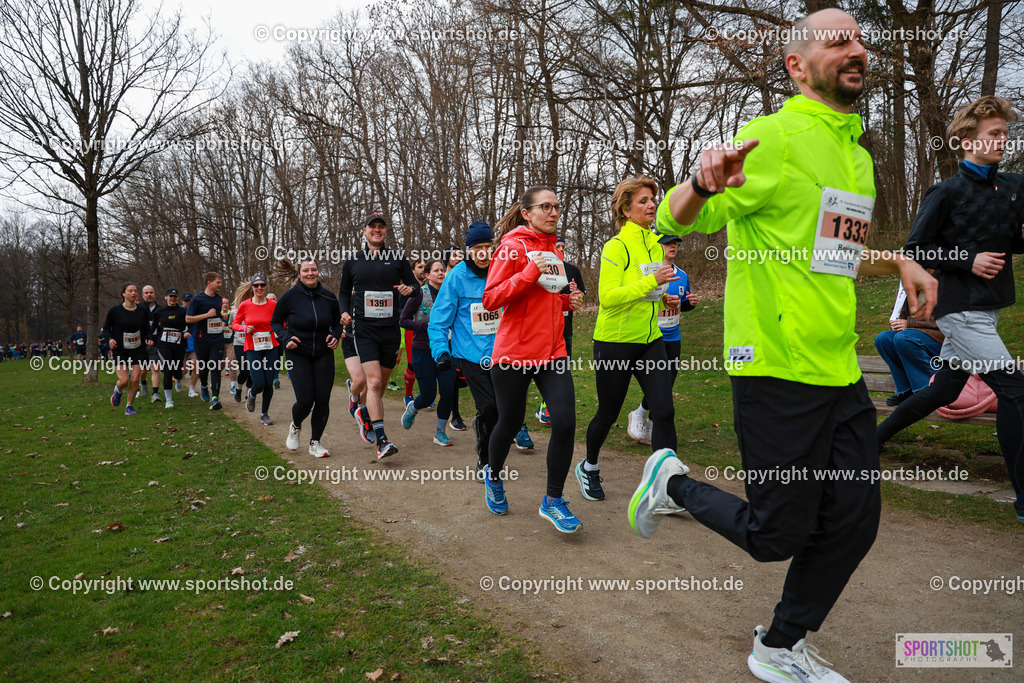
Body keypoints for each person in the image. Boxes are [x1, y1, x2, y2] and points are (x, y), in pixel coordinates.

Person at [627, 9, 938, 682]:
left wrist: (898, 264)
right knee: (777, 534)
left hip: (834, 368)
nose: (858, 50)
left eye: (860, 39)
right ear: (797, 66)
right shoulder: (773, 137)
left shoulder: (855, 154)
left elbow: (835, 251)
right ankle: (671, 481)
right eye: (838, 42)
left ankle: (778, 643)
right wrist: (704, 182)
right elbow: (685, 216)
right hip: (772, 364)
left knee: (854, 521)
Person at [878, 95, 1024, 523]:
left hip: (990, 305)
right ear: (965, 141)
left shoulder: (1014, 186)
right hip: (958, 309)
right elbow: (915, 250)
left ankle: (872, 441)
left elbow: (1009, 239)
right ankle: (1022, 498)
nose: (1003, 142)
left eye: (1005, 134)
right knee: (1015, 389)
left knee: (941, 391)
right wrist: (967, 260)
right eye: (994, 135)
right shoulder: (946, 192)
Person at [482, 186, 585, 533]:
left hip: (552, 352)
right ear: (527, 213)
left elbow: (547, 299)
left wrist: (567, 302)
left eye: (557, 207)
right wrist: (527, 273)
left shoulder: (554, 248)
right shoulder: (513, 248)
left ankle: (553, 500)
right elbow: (491, 299)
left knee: (566, 421)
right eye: (545, 207)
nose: (553, 212)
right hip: (514, 353)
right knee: (509, 423)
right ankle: (493, 475)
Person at [580, 176, 680, 503]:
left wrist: (664, 298)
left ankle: (666, 486)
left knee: (664, 411)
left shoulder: (656, 243)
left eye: (653, 199)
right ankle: (589, 466)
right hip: (615, 343)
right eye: (643, 201)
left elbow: (647, 291)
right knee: (608, 413)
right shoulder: (615, 246)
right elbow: (608, 297)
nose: (652, 205)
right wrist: (651, 279)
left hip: (651, 339)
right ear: (626, 208)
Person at [337, 213, 418, 459]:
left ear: (385, 232)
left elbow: (415, 286)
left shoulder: (397, 258)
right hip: (364, 329)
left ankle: (362, 410)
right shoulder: (353, 261)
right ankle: (382, 440)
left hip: (391, 330)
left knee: (380, 386)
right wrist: (343, 312)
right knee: (372, 383)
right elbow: (342, 293)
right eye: (372, 227)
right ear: (364, 231)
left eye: (381, 227)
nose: (377, 230)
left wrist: (409, 289)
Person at [430, 222, 499, 478]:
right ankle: (486, 459)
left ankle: (492, 444)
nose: (483, 253)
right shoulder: (456, 277)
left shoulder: (501, 271)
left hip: (503, 353)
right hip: (470, 355)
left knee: (505, 411)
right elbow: (438, 320)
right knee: (490, 407)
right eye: (477, 248)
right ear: (469, 250)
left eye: (487, 247)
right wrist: (441, 352)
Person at [626, 229, 699, 444]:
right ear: (657, 245)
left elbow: (680, 305)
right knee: (658, 384)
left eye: (675, 242)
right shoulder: (649, 272)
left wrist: (689, 304)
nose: (673, 246)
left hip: (673, 337)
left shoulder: (682, 275)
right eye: (668, 243)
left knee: (667, 384)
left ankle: (651, 424)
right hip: (652, 336)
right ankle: (639, 414)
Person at [271, 258, 342, 458]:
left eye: (314, 269)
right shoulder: (290, 297)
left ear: (318, 272)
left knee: (322, 399)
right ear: (299, 273)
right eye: (306, 270)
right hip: (297, 352)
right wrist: (285, 339)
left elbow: (337, 324)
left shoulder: (328, 297)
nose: (310, 273)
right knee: (305, 400)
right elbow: (275, 321)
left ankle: (315, 443)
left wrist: (335, 336)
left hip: (323, 353)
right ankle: (295, 426)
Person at [401, 260, 456, 446]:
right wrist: (427, 327)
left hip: (446, 351)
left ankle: (440, 432)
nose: (440, 273)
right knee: (428, 396)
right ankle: (413, 407)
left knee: (448, 391)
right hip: (423, 349)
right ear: (427, 275)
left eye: (442, 270)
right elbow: (403, 320)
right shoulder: (420, 294)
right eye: (436, 270)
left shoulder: (451, 293)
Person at [535, 235, 586, 426]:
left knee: (562, 370)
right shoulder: (541, 267)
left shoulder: (572, 270)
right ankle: (546, 405)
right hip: (545, 329)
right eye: (557, 245)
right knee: (545, 371)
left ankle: (547, 405)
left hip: (567, 329)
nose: (561, 249)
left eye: (563, 246)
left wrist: (575, 293)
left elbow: (581, 297)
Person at [873, 283, 943, 406]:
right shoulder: (906, 281)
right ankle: (906, 390)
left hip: (941, 338)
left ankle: (927, 390)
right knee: (883, 339)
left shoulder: (939, 278)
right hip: (914, 333)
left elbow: (946, 318)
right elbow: (897, 312)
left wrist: (910, 323)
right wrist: (896, 322)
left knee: (904, 338)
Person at [232, 275, 278, 426]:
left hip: (271, 347)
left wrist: (279, 331)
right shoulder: (245, 305)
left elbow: (281, 322)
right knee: (259, 382)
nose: (259, 288)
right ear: (252, 287)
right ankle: (251, 394)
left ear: (265, 286)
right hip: (252, 347)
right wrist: (245, 328)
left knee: (269, 382)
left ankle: (264, 414)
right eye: (256, 285)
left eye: (262, 285)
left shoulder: (273, 305)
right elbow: (235, 324)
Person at [103, 283, 154, 415]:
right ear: (123, 293)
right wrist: (110, 339)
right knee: (124, 381)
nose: (133, 293)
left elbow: (146, 328)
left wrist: (148, 338)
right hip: (120, 349)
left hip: (138, 348)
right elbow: (106, 328)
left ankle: (129, 406)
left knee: (135, 378)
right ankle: (118, 390)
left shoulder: (143, 310)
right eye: (130, 291)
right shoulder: (115, 311)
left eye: (135, 291)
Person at [185, 274, 229, 410]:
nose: (220, 285)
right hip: (201, 339)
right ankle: (204, 385)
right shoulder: (197, 299)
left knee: (215, 367)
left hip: (217, 339)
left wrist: (223, 316)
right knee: (203, 369)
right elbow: (188, 319)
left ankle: (215, 398)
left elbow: (218, 315)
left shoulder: (219, 299)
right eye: (218, 282)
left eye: (221, 282)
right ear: (209, 282)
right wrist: (207, 315)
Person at [152, 288, 189, 408]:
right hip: (164, 344)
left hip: (179, 344)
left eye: (175, 297)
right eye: (170, 296)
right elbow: (153, 328)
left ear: (177, 298)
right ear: (165, 297)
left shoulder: (183, 311)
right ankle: (169, 399)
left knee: (177, 369)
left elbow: (190, 325)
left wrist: (187, 332)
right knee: (167, 368)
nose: (172, 299)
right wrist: (151, 339)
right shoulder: (159, 311)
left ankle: (178, 378)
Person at [402, 259, 428, 406]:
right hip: (411, 329)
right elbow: (400, 311)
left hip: (429, 329)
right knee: (413, 363)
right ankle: (408, 395)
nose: (422, 269)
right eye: (419, 267)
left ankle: (425, 395)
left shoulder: (432, 288)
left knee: (428, 363)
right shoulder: (408, 288)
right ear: (413, 271)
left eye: (425, 267)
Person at [141, 285, 162, 402]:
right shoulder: (138, 309)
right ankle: (143, 382)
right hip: (141, 345)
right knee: (143, 371)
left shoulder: (160, 310)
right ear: (143, 295)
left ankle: (155, 394)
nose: (149, 294)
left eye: (151, 292)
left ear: (154, 294)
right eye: (146, 293)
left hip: (155, 343)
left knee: (155, 368)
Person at [181, 292, 198, 396]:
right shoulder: (178, 312)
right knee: (184, 370)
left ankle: (192, 389)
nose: (188, 303)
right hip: (181, 345)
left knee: (196, 365)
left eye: (189, 301)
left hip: (193, 345)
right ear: (182, 302)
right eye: (186, 301)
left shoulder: (196, 312)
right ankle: (178, 378)